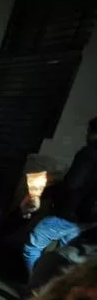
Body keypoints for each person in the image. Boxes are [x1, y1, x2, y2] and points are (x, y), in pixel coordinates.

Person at [23, 117, 97, 277]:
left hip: (68, 212)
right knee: (63, 257)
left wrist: (50, 190)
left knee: (32, 247)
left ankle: (36, 289)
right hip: (87, 218)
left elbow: (73, 183)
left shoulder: (89, 153)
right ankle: (51, 292)